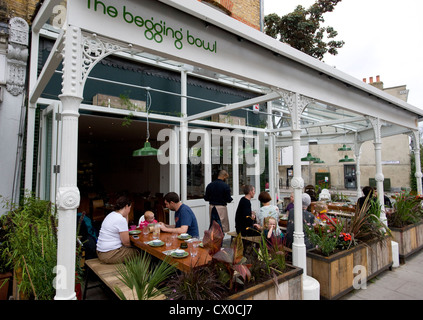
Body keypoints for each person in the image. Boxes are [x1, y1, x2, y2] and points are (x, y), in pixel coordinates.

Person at [96, 195, 139, 264]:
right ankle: (142, 274)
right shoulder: (120, 219)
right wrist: (135, 246)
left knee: (130, 251)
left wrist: (126, 214)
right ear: (126, 206)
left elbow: (124, 227)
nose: (130, 210)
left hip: (101, 252)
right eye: (130, 208)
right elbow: (126, 242)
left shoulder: (111, 214)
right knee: (139, 252)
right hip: (109, 254)